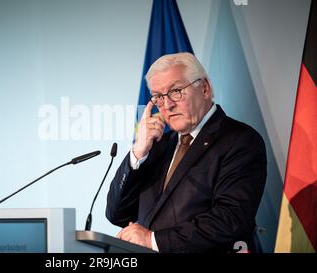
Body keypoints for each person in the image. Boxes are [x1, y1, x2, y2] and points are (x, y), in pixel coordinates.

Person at [106, 52, 267, 253]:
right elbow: (117, 214)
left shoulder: (240, 140)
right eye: (158, 97)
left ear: (205, 89)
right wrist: (138, 153)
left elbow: (230, 219)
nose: (168, 105)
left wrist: (154, 240)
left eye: (176, 91)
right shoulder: (158, 146)